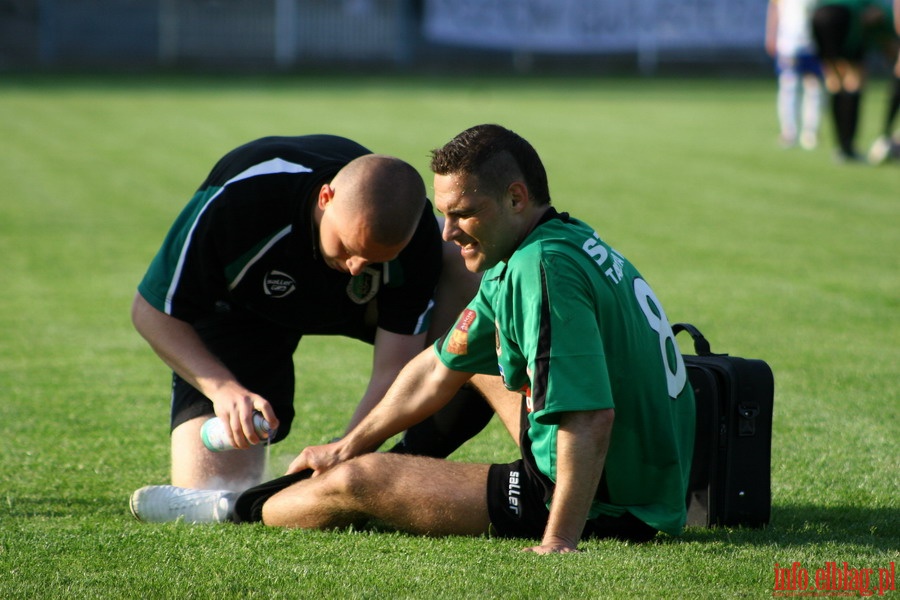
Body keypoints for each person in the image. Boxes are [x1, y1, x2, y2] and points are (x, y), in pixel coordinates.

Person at [133, 125, 696, 554]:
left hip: (606, 500)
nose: (447, 233)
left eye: (464, 214)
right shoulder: (555, 242)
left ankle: (231, 508)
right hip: (651, 471)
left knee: (358, 485)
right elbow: (436, 366)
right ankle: (393, 468)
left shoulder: (538, 270)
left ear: (517, 197)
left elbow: (591, 416)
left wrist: (561, 539)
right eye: (444, 215)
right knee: (445, 380)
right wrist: (345, 445)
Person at [127, 135, 494, 513]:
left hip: (356, 306)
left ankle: (414, 453)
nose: (356, 267)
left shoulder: (412, 238)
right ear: (325, 199)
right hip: (240, 311)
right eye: (350, 248)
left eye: (374, 259)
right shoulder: (242, 199)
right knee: (209, 487)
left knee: (470, 276)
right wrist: (223, 389)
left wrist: (349, 448)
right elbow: (150, 311)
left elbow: (394, 366)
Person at [811, 0, 898, 161]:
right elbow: (875, 17)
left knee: (835, 81)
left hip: (818, 15)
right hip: (845, 16)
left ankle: (840, 147)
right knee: (854, 81)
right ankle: (848, 147)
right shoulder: (886, 16)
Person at [766, 0, 824, 149]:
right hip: (788, 42)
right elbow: (774, 8)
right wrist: (771, 33)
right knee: (789, 86)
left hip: (813, 42)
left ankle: (810, 132)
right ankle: (788, 131)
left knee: (814, 87)